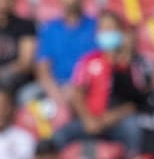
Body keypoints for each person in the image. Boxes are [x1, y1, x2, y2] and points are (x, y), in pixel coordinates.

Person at [52, 11, 147, 151]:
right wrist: (88, 119)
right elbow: (77, 94)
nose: (107, 32)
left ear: (121, 32)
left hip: (117, 121)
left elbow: (136, 102)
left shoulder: (132, 65)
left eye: (111, 28)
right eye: (103, 29)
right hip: (89, 121)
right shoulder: (89, 61)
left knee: (134, 128)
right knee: (59, 136)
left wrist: (111, 117)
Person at [33, 0, 98, 106]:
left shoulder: (96, 26)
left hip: (88, 87)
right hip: (58, 87)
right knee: (28, 96)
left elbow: (101, 64)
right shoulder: (49, 29)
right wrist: (56, 95)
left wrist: (78, 90)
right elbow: (43, 69)